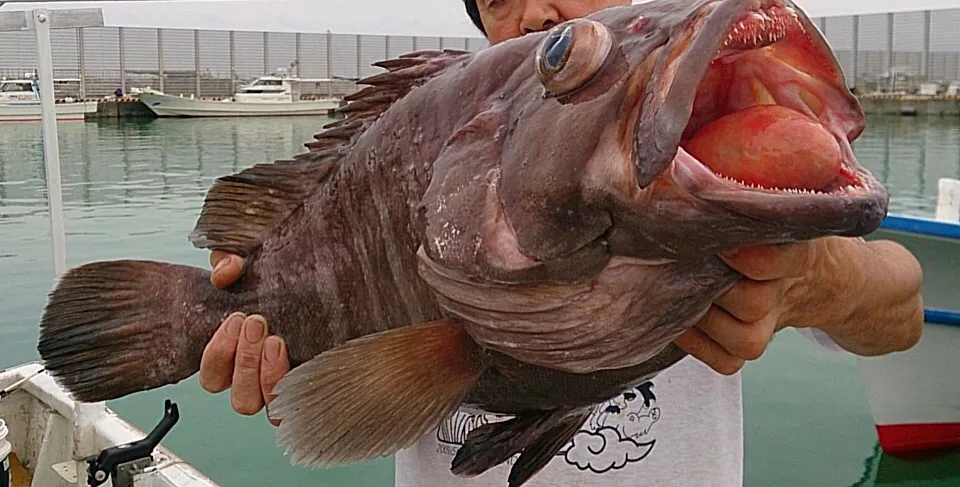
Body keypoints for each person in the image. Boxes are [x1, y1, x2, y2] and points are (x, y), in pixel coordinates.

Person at [196, 1, 925, 485]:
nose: (533, 7)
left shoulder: (695, 163)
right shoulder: (446, 133)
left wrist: (814, 278)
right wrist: (258, 321)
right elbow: (340, 399)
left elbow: (905, 309)